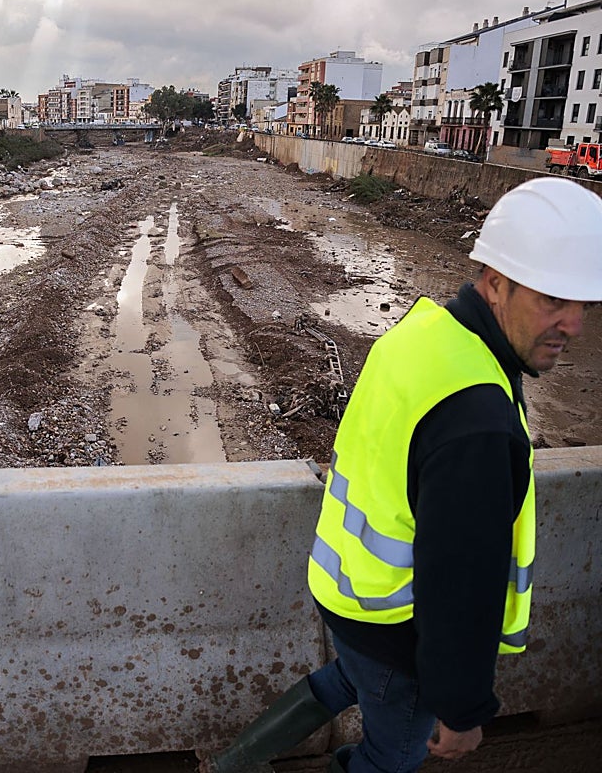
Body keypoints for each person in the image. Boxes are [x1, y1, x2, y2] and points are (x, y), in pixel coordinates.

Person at [203, 177, 602, 773]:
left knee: (350, 677)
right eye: (552, 301)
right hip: (397, 628)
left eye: (586, 305)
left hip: (345, 589)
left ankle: (233, 762)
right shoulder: (480, 422)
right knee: (391, 758)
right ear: (494, 284)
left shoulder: (425, 333)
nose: (573, 325)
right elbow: (462, 586)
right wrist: (462, 710)